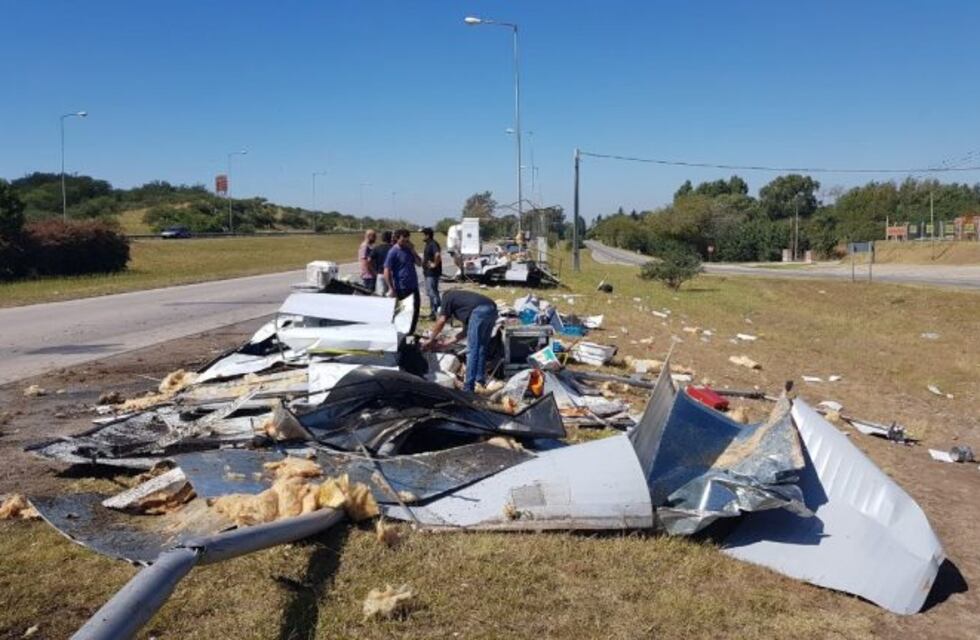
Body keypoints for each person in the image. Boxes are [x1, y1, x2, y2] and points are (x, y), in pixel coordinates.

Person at [422, 289, 498, 392]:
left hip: (480, 311)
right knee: (481, 348)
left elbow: (441, 320)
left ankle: (468, 387)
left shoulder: (447, 297)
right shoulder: (464, 306)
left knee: (472, 351)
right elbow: (465, 332)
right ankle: (479, 381)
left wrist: (431, 339)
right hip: (492, 309)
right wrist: (445, 343)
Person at [383, 228, 422, 333]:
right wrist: (391, 288)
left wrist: (413, 251)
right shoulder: (393, 252)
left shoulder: (408, 250)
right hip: (402, 287)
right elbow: (386, 271)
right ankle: (403, 334)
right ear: (397, 238)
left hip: (413, 285)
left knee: (415, 311)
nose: (405, 242)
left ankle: (411, 333)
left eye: (407, 240)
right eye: (403, 240)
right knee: (405, 313)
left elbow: (419, 263)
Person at [421, 227, 442, 321]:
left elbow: (437, 254)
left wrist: (434, 264)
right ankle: (434, 313)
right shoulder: (428, 244)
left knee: (433, 293)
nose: (422, 236)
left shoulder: (433, 244)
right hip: (428, 272)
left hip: (432, 273)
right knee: (431, 293)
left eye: (423, 234)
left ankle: (438, 313)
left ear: (428, 235)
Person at [371, 230, 393, 296]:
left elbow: (369, 260)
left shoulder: (377, 248)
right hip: (391, 274)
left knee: (380, 295)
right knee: (391, 294)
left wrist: (374, 271)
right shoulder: (393, 248)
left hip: (380, 274)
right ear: (390, 238)